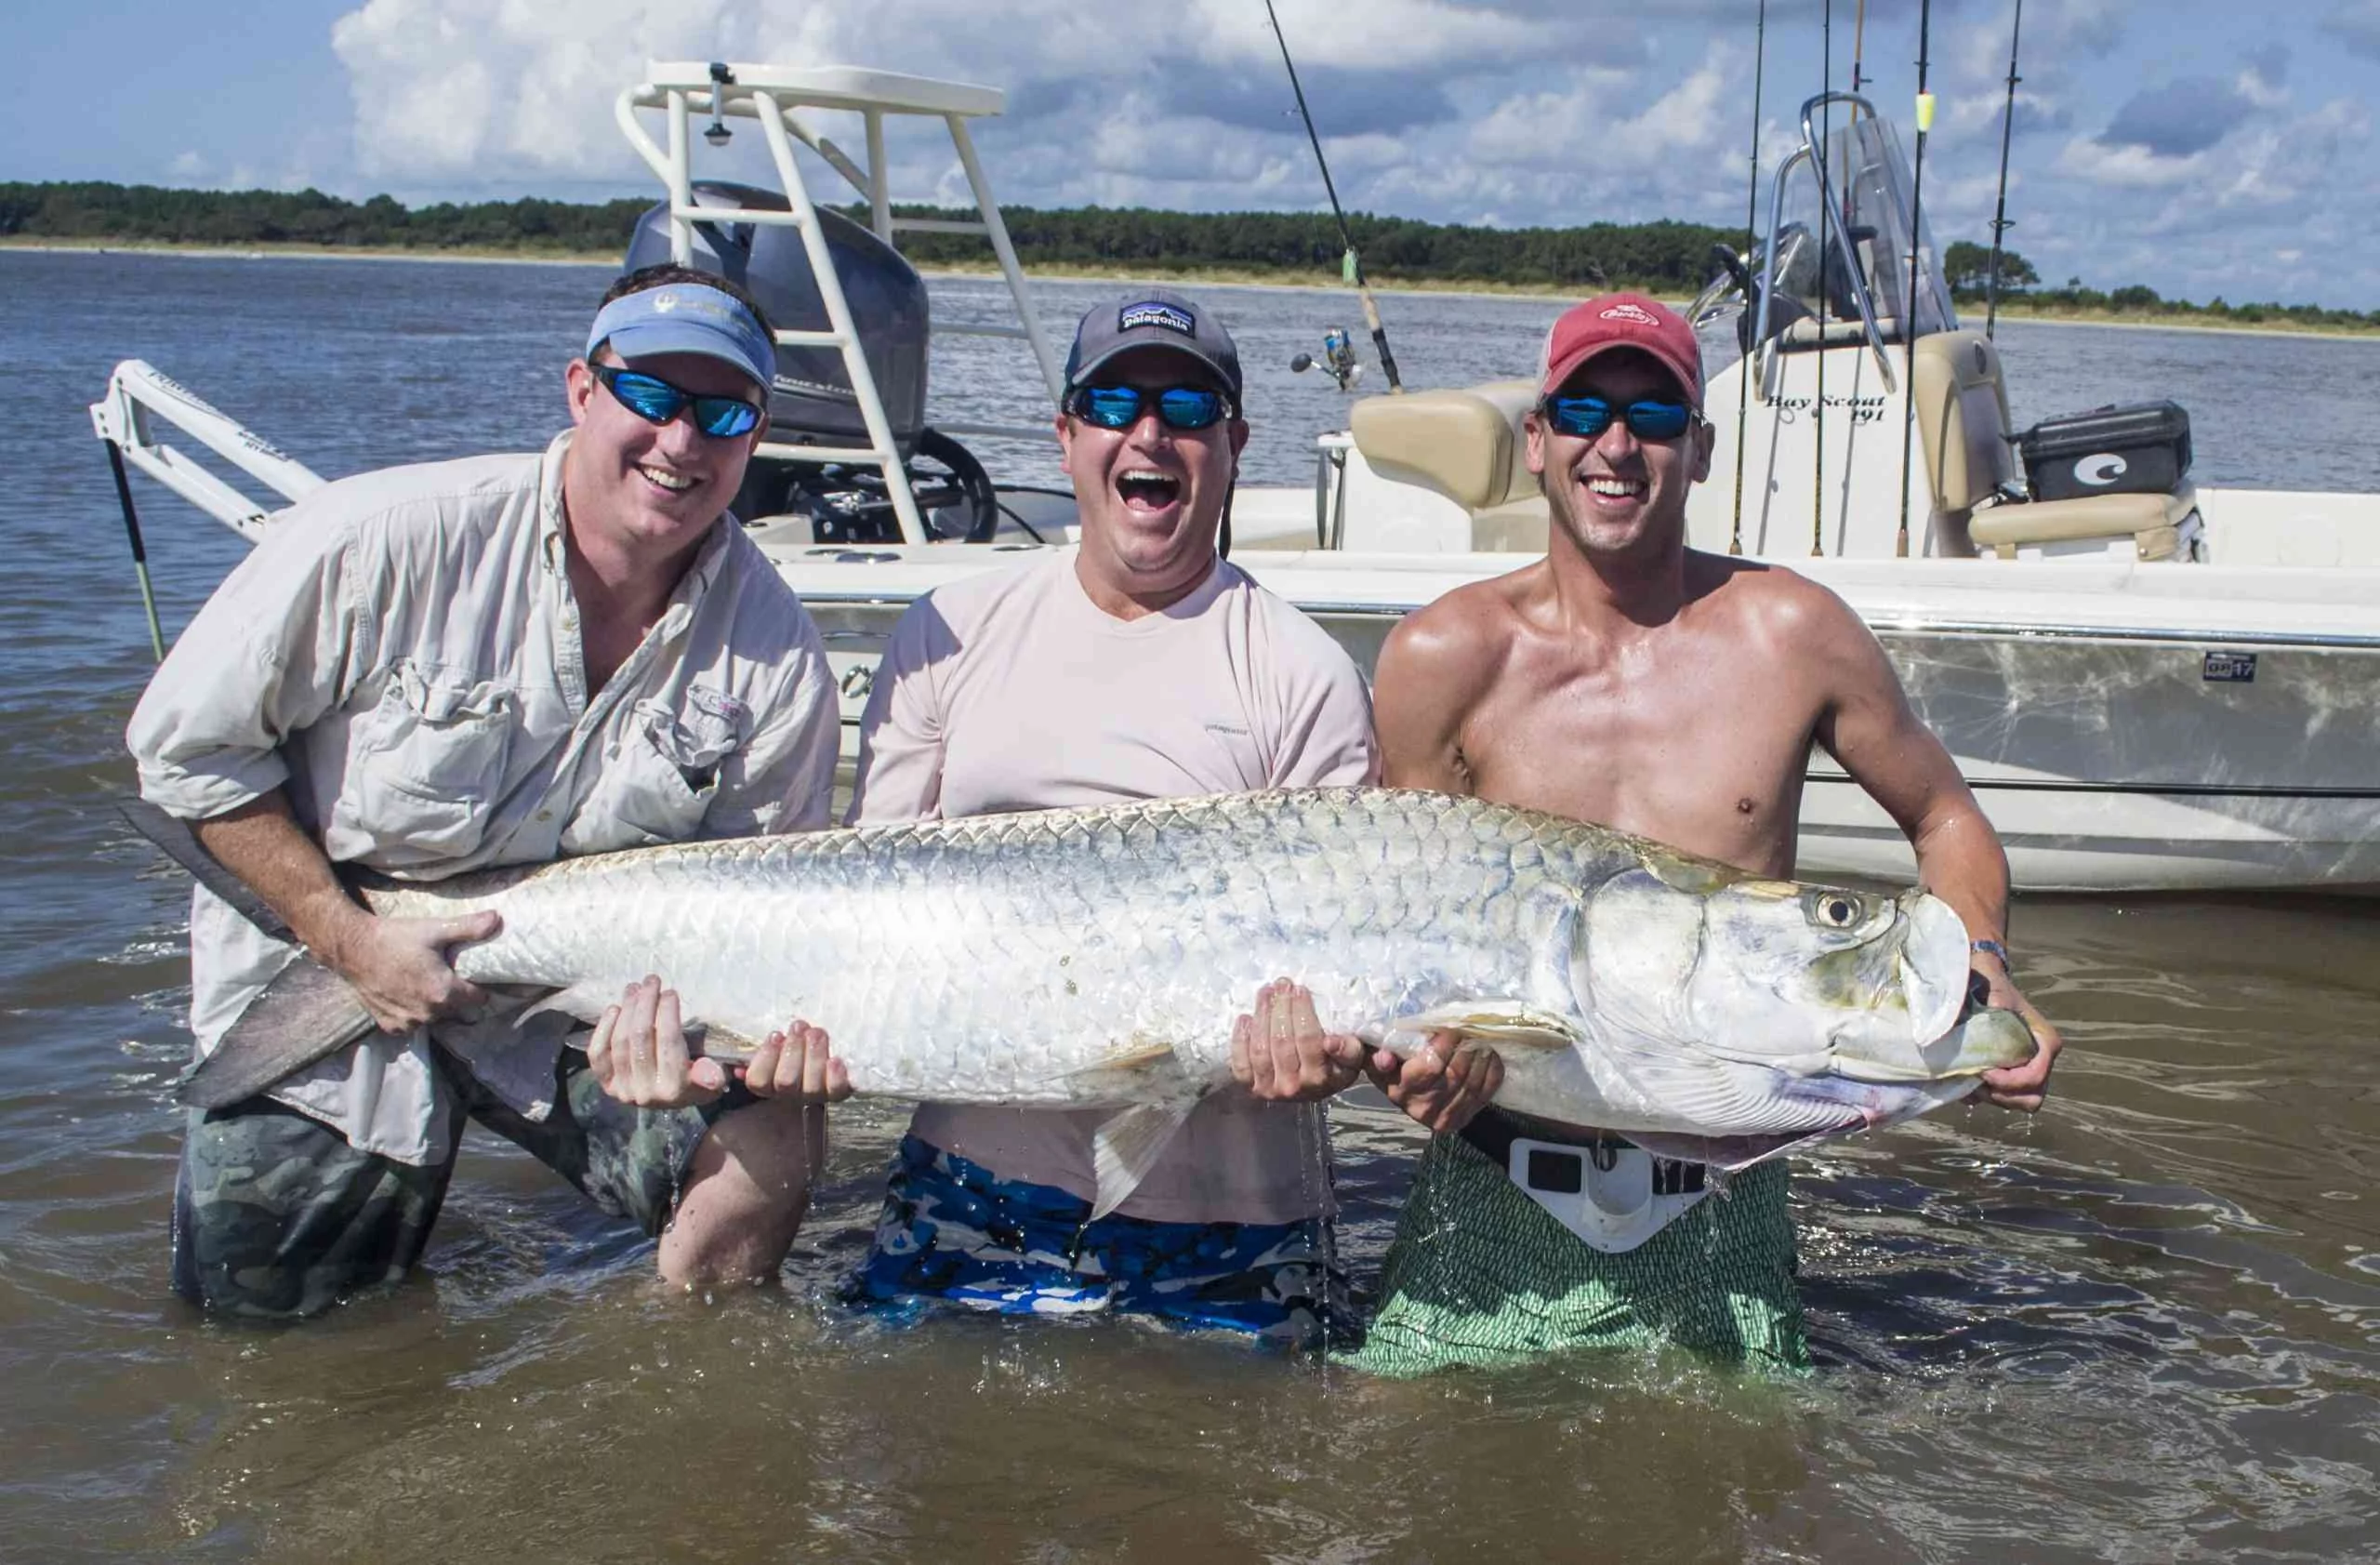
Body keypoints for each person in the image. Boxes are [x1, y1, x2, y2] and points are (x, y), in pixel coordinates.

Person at [1348, 292, 2064, 1376]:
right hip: (1489, 1182)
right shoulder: (1441, 657)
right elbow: (1393, 948)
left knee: (1755, 1467)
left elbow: (1944, 817)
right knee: (1399, 1457)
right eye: (1583, 410)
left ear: (1701, 450)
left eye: (1654, 416)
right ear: (1536, 439)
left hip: (1723, 1202)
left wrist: (1984, 963)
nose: (1616, 444)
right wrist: (1407, 1072)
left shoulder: (1792, 632)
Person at [126, 264, 845, 1320]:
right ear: (582, 389)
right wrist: (348, 940)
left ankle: (680, 1358)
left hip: (581, 1009)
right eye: (649, 395)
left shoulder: (778, 656)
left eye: (722, 413)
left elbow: (759, 908)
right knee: (274, 1338)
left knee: (773, 1139)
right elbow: (184, 754)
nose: (680, 440)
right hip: (332, 951)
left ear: (757, 434)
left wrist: (702, 1050)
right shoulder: (380, 537)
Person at [840, 288, 1378, 1344]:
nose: (1150, 433)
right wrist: (790, 1045)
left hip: (1236, 1226)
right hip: (974, 1190)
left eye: (1188, 408)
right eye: (1115, 404)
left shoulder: (1303, 673)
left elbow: (1348, 973)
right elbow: (865, 914)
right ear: (1066, 436)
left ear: (1234, 445)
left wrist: (1335, 1051)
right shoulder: (949, 632)